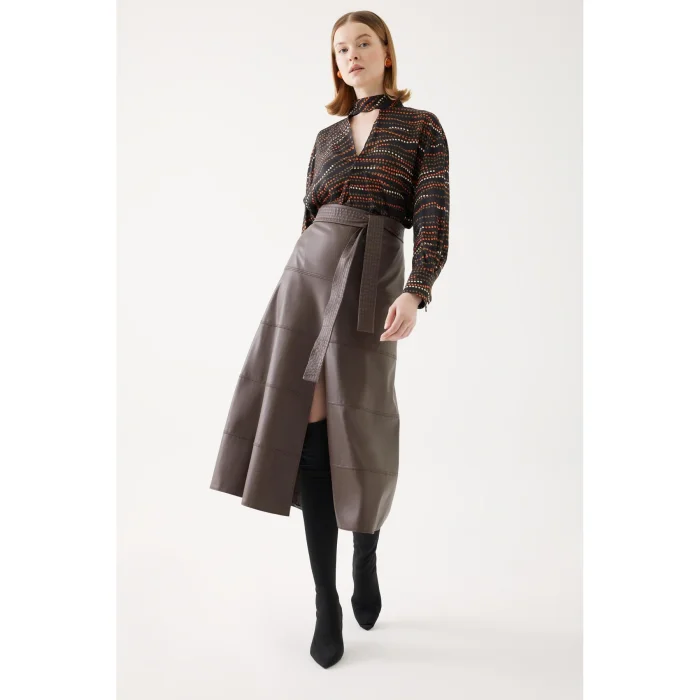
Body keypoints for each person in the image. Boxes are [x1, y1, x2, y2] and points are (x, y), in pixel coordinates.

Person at [210, 10, 450, 669]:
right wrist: (303, 284)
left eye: (363, 43)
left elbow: (432, 215)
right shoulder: (325, 138)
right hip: (308, 277)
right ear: (335, 63)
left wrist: (416, 289)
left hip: (375, 277)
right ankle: (326, 600)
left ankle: (364, 552)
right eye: (341, 48)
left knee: (364, 428)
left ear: (386, 52)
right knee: (310, 423)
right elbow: (309, 218)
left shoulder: (421, 127)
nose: (352, 55)